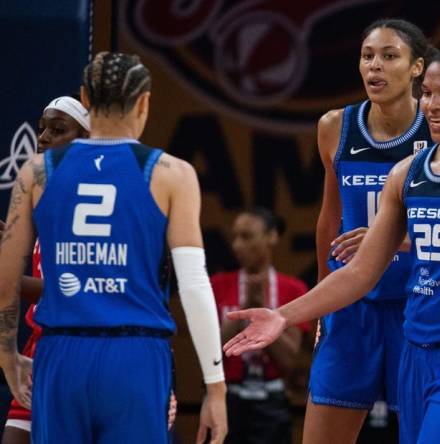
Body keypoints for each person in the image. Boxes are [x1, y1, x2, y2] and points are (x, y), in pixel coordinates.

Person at [225, 36, 440, 443]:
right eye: (427, 94)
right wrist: (284, 315)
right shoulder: (406, 173)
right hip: (419, 353)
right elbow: (358, 273)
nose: (433, 106)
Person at [0, 52, 227, 443]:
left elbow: (5, 282)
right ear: (144, 102)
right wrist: (215, 386)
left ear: (86, 98)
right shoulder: (171, 173)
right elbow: (193, 286)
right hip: (134, 354)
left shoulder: (35, 172)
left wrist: (6, 357)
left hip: (60, 353)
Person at [0, 96, 179, 444]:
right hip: (47, 344)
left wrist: (9, 277)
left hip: (104, 349)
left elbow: (73, 287)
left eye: (57, 130)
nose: (44, 138)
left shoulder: (103, 198)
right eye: (42, 129)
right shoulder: (44, 196)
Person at [308, 18, 433, 443]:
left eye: (389, 56)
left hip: (415, 305)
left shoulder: (439, 131)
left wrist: (390, 241)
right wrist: (323, 301)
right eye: (367, 56)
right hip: (352, 307)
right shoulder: (334, 127)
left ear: (417, 68)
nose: (374, 67)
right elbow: (328, 220)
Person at [211, 207, 310, 443]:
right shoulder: (217, 285)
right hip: (228, 397)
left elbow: (288, 360)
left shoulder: (293, 289)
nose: (237, 245)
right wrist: (245, 308)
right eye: (235, 236)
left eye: (247, 236)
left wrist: (262, 311)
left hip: (272, 401)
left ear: (271, 237)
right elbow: (211, 350)